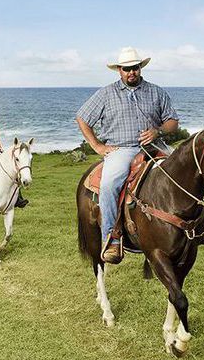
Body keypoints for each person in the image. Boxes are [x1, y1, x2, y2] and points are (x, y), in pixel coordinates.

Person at [75, 47, 180, 264]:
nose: (131, 72)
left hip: (154, 146)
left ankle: (194, 227)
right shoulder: (106, 93)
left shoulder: (156, 91)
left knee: (182, 171)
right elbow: (82, 118)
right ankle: (111, 238)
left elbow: (173, 122)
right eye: (126, 69)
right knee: (109, 184)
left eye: (134, 67)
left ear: (140, 68)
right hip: (121, 150)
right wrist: (96, 145)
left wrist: (157, 130)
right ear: (119, 70)